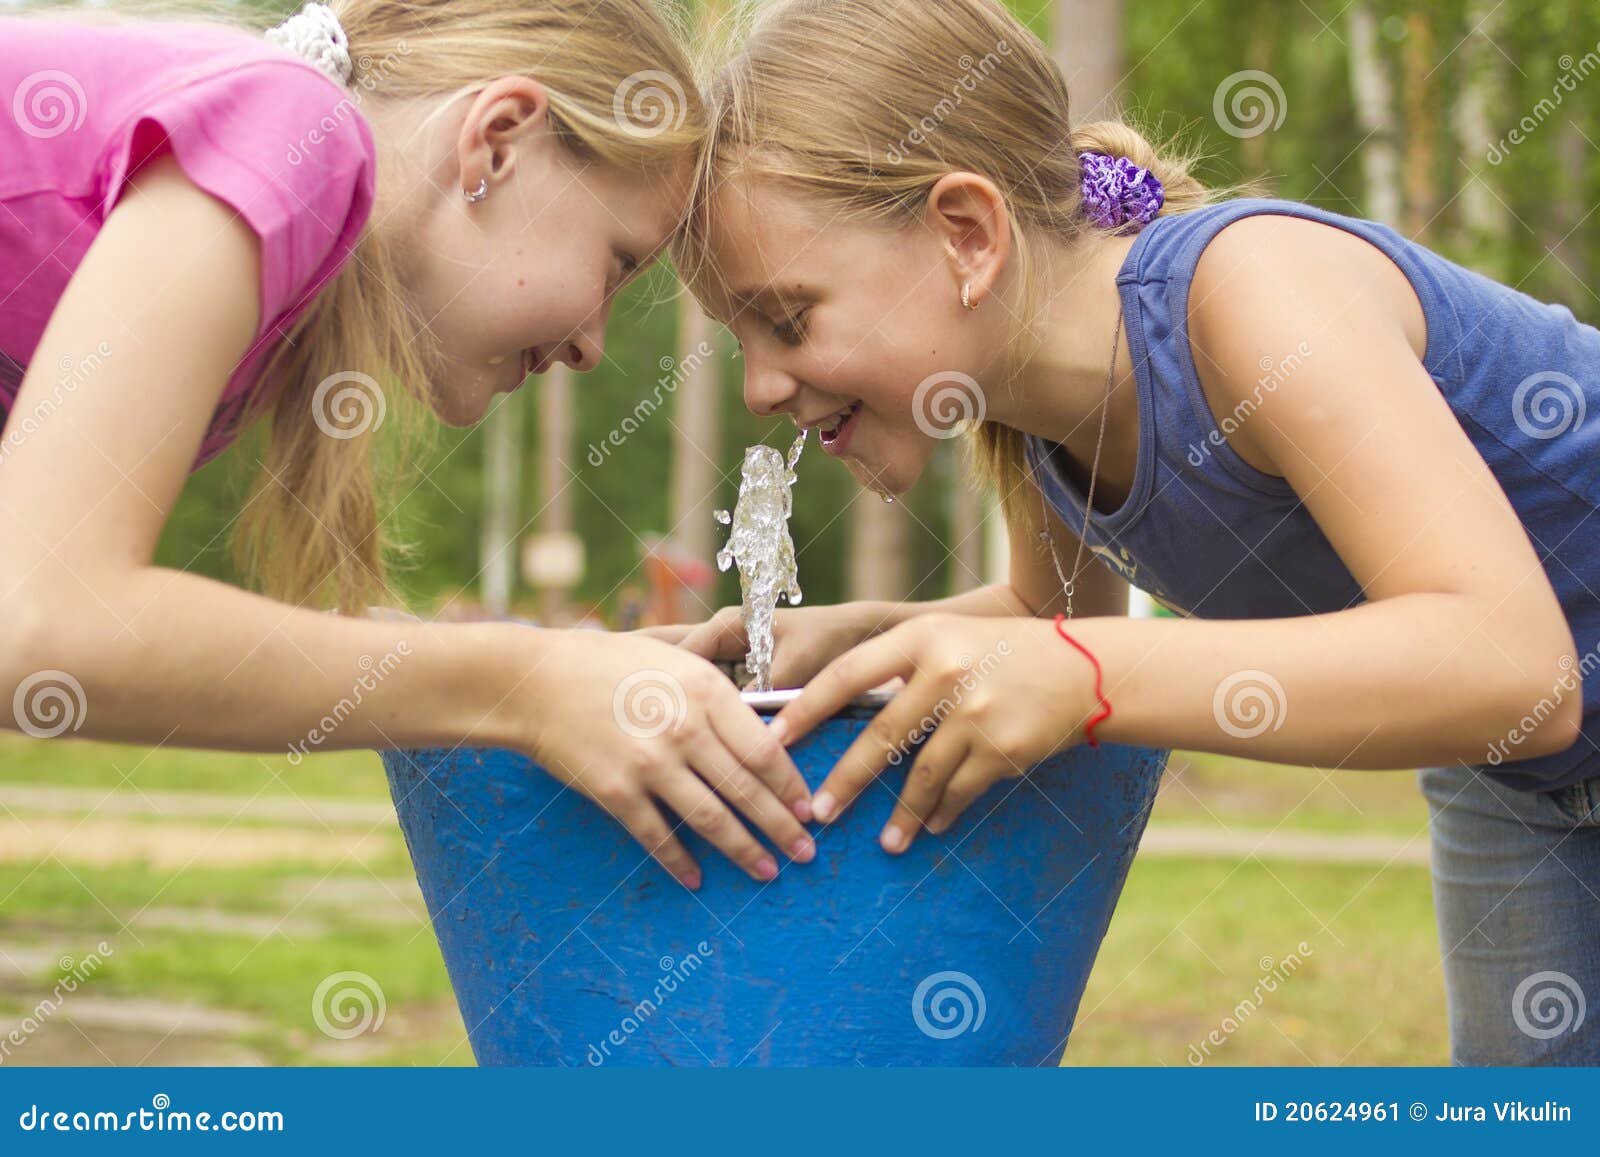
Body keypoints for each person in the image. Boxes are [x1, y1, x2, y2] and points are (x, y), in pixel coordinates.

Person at [660, 0, 1599, 1063]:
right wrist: (864, 636)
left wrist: (1084, 676)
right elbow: (1046, 619)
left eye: (786, 318)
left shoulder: (1253, 292)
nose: (759, 386)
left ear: (966, 233)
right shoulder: (1027, 405)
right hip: (1525, 790)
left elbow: (1515, 669)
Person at [0, 0, 817, 892]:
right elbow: (43, 628)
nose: (591, 344)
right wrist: (525, 682)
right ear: (497, 143)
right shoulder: (289, 125)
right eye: (618, 264)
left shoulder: (273, 281)